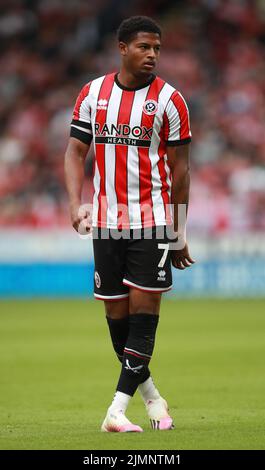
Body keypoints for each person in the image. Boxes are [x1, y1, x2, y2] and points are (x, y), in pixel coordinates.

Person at [64, 15, 195, 433]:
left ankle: (115, 412)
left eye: (157, 48)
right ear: (123, 48)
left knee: (144, 314)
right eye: (144, 47)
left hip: (152, 222)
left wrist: (177, 231)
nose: (152, 54)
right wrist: (74, 203)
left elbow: (182, 171)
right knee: (118, 320)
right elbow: (74, 152)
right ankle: (154, 401)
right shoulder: (93, 94)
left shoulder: (171, 101)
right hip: (105, 222)